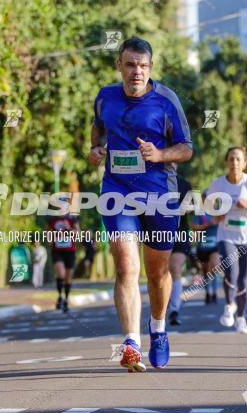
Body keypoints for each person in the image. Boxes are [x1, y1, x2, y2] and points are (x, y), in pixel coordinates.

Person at [89, 37, 193, 371]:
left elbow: (186, 148)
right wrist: (95, 150)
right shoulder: (105, 97)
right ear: (119, 65)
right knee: (125, 266)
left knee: (157, 271)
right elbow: (97, 129)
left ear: (151, 67)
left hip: (159, 193)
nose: (137, 72)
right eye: (131, 64)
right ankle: (131, 343)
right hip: (117, 191)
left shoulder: (166, 100)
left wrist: (160, 154)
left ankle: (158, 328)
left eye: (144, 65)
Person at [208, 147, 247, 334]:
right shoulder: (218, 184)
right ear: (226, 162)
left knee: (244, 279)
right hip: (226, 236)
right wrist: (218, 214)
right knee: (231, 272)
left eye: (238, 159)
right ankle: (228, 305)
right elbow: (208, 207)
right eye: (231, 159)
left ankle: (241, 317)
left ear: (245, 163)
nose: (235, 163)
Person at [167, 174, 193, 326]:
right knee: (161, 271)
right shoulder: (152, 180)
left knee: (175, 267)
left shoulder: (184, 184)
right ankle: (161, 306)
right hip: (158, 233)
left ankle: (174, 309)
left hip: (180, 232)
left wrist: (186, 206)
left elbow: (195, 210)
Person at [47, 212, 79, 312]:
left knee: (68, 277)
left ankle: (66, 299)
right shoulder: (52, 220)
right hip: (57, 251)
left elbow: (78, 234)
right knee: (61, 274)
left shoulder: (72, 219)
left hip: (70, 252)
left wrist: (69, 228)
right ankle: (60, 296)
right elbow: (47, 235)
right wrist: (52, 236)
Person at [191, 194, 220, 304]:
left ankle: (215, 292)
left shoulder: (219, 211)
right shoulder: (200, 213)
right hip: (202, 246)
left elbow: (225, 223)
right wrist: (208, 224)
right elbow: (194, 227)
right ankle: (208, 292)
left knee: (215, 267)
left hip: (215, 245)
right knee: (205, 272)